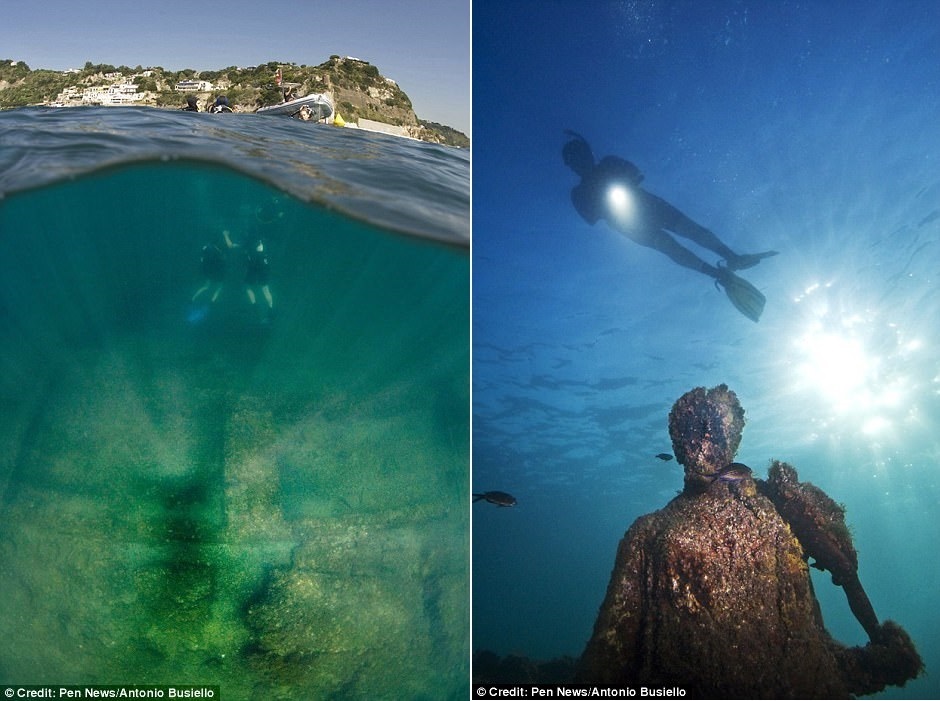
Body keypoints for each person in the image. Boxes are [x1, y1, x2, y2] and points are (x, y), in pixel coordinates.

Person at [576, 384, 922, 697]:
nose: (705, 436)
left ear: (734, 437)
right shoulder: (647, 533)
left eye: (715, 425)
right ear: (677, 440)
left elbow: (845, 573)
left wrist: (880, 644)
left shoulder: (781, 507)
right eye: (692, 426)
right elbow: (609, 657)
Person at [562, 131, 778, 322]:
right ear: (571, 165)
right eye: (575, 159)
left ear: (589, 152)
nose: (581, 161)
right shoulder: (580, 194)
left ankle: (731, 257)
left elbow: (635, 174)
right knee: (672, 246)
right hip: (631, 223)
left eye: (582, 154)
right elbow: (594, 216)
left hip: (648, 208)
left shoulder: (606, 166)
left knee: (690, 232)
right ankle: (718, 273)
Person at [223, 230, 274, 321]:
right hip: (264, 266)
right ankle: (271, 308)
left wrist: (225, 235)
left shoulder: (247, 242)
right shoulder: (261, 241)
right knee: (265, 289)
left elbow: (230, 246)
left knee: (247, 287)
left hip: (253, 267)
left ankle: (254, 306)